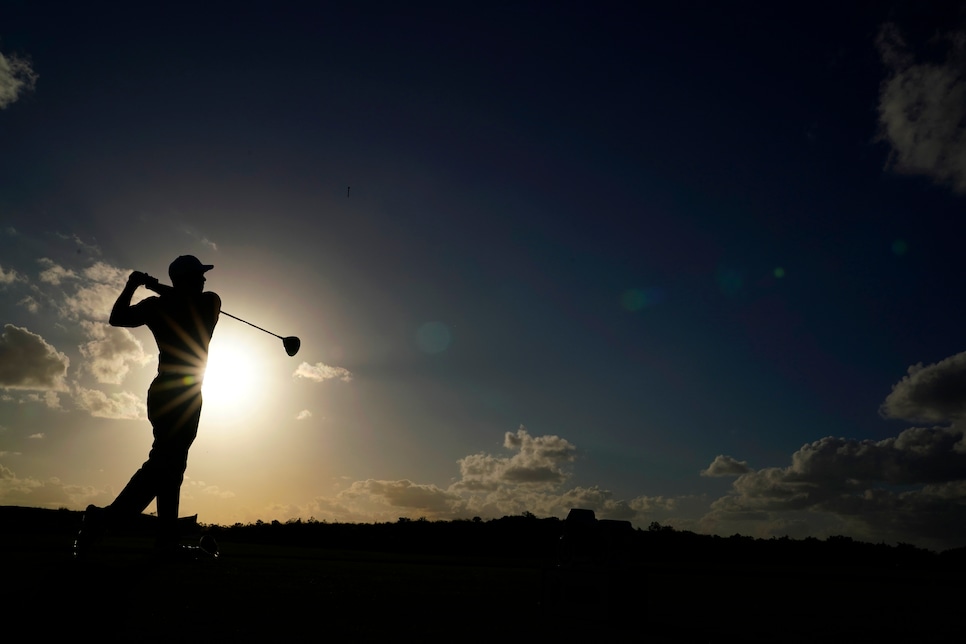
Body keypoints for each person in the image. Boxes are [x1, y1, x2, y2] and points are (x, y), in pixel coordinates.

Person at [74, 255, 221, 560]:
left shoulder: (195, 302)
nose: (205, 280)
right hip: (179, 392)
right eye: (199, 275)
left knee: (172, 466)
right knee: (165, 463)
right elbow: (117, 319)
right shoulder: (193, 302)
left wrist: (138, 285)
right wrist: (143, 286)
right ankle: (104, 520)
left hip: (175, 390)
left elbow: (128, 313)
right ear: (188, 279)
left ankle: (165, 541)